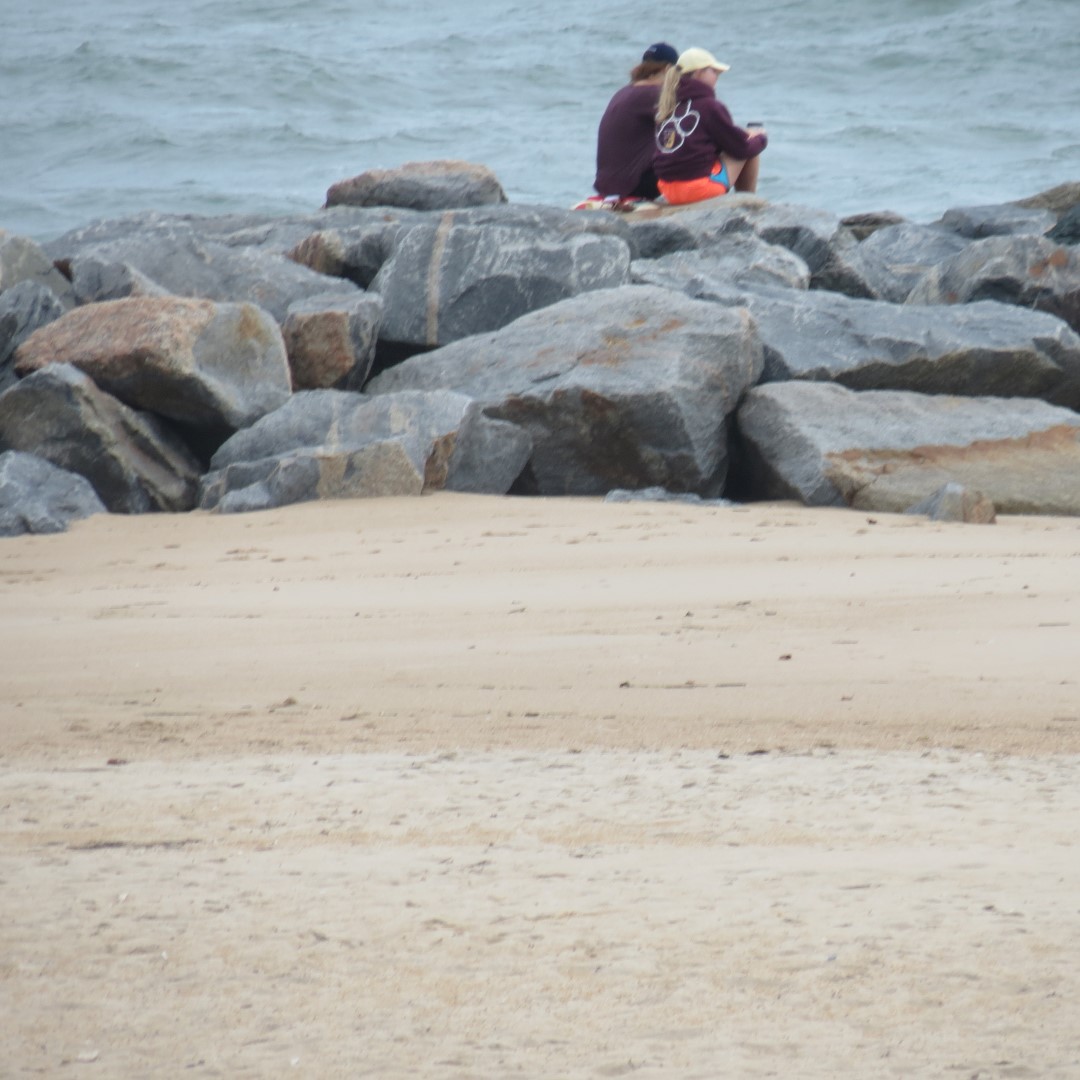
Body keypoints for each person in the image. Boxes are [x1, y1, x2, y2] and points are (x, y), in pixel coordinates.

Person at [652, 46, 768, 206]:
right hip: (697, 190)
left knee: (742, 141)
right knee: (751, 146)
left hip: (668, 190)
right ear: (699, 72)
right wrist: (761, 138)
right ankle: (747, 203)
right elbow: (741, 148)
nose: (717, 77)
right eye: (714, 72)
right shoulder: (709, 106)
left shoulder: (667, 106)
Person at [592, 42, 679, 202]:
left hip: (609, 185)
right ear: (668, 70)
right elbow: (690, 127)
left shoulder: (624, 92)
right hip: (635, 185)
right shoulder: (654, 94)